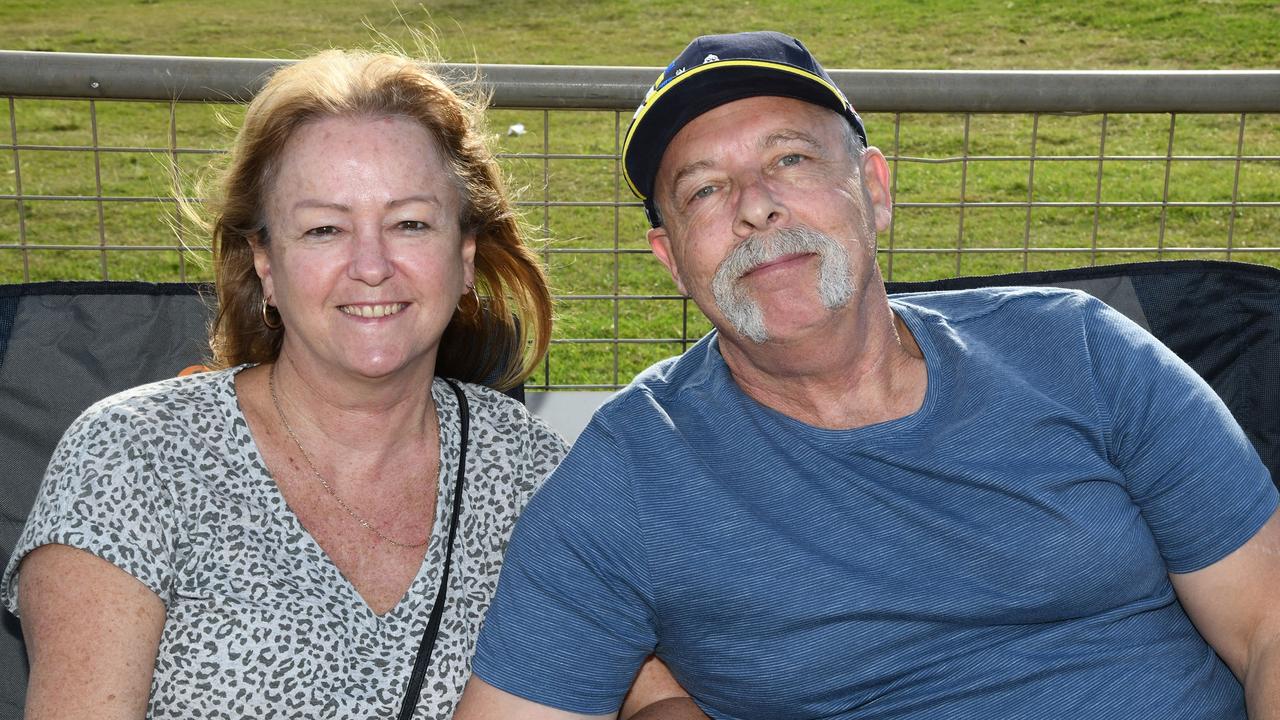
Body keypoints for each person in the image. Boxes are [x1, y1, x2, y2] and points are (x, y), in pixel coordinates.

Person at [453, 31, 1280, 720]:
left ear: (874, 190)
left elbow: (1266, 624)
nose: (755, 207)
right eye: (704, 190)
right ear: (672, 258)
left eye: (791, 160)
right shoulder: (631, 472)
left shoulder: (1083, 352)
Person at [0, 48, 686, 719]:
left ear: (465, 256)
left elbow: (656, 696)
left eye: (409, 223)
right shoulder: (135, 457)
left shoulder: (528, 472)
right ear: (265, 262)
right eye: (325, 228)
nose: (371, 265)